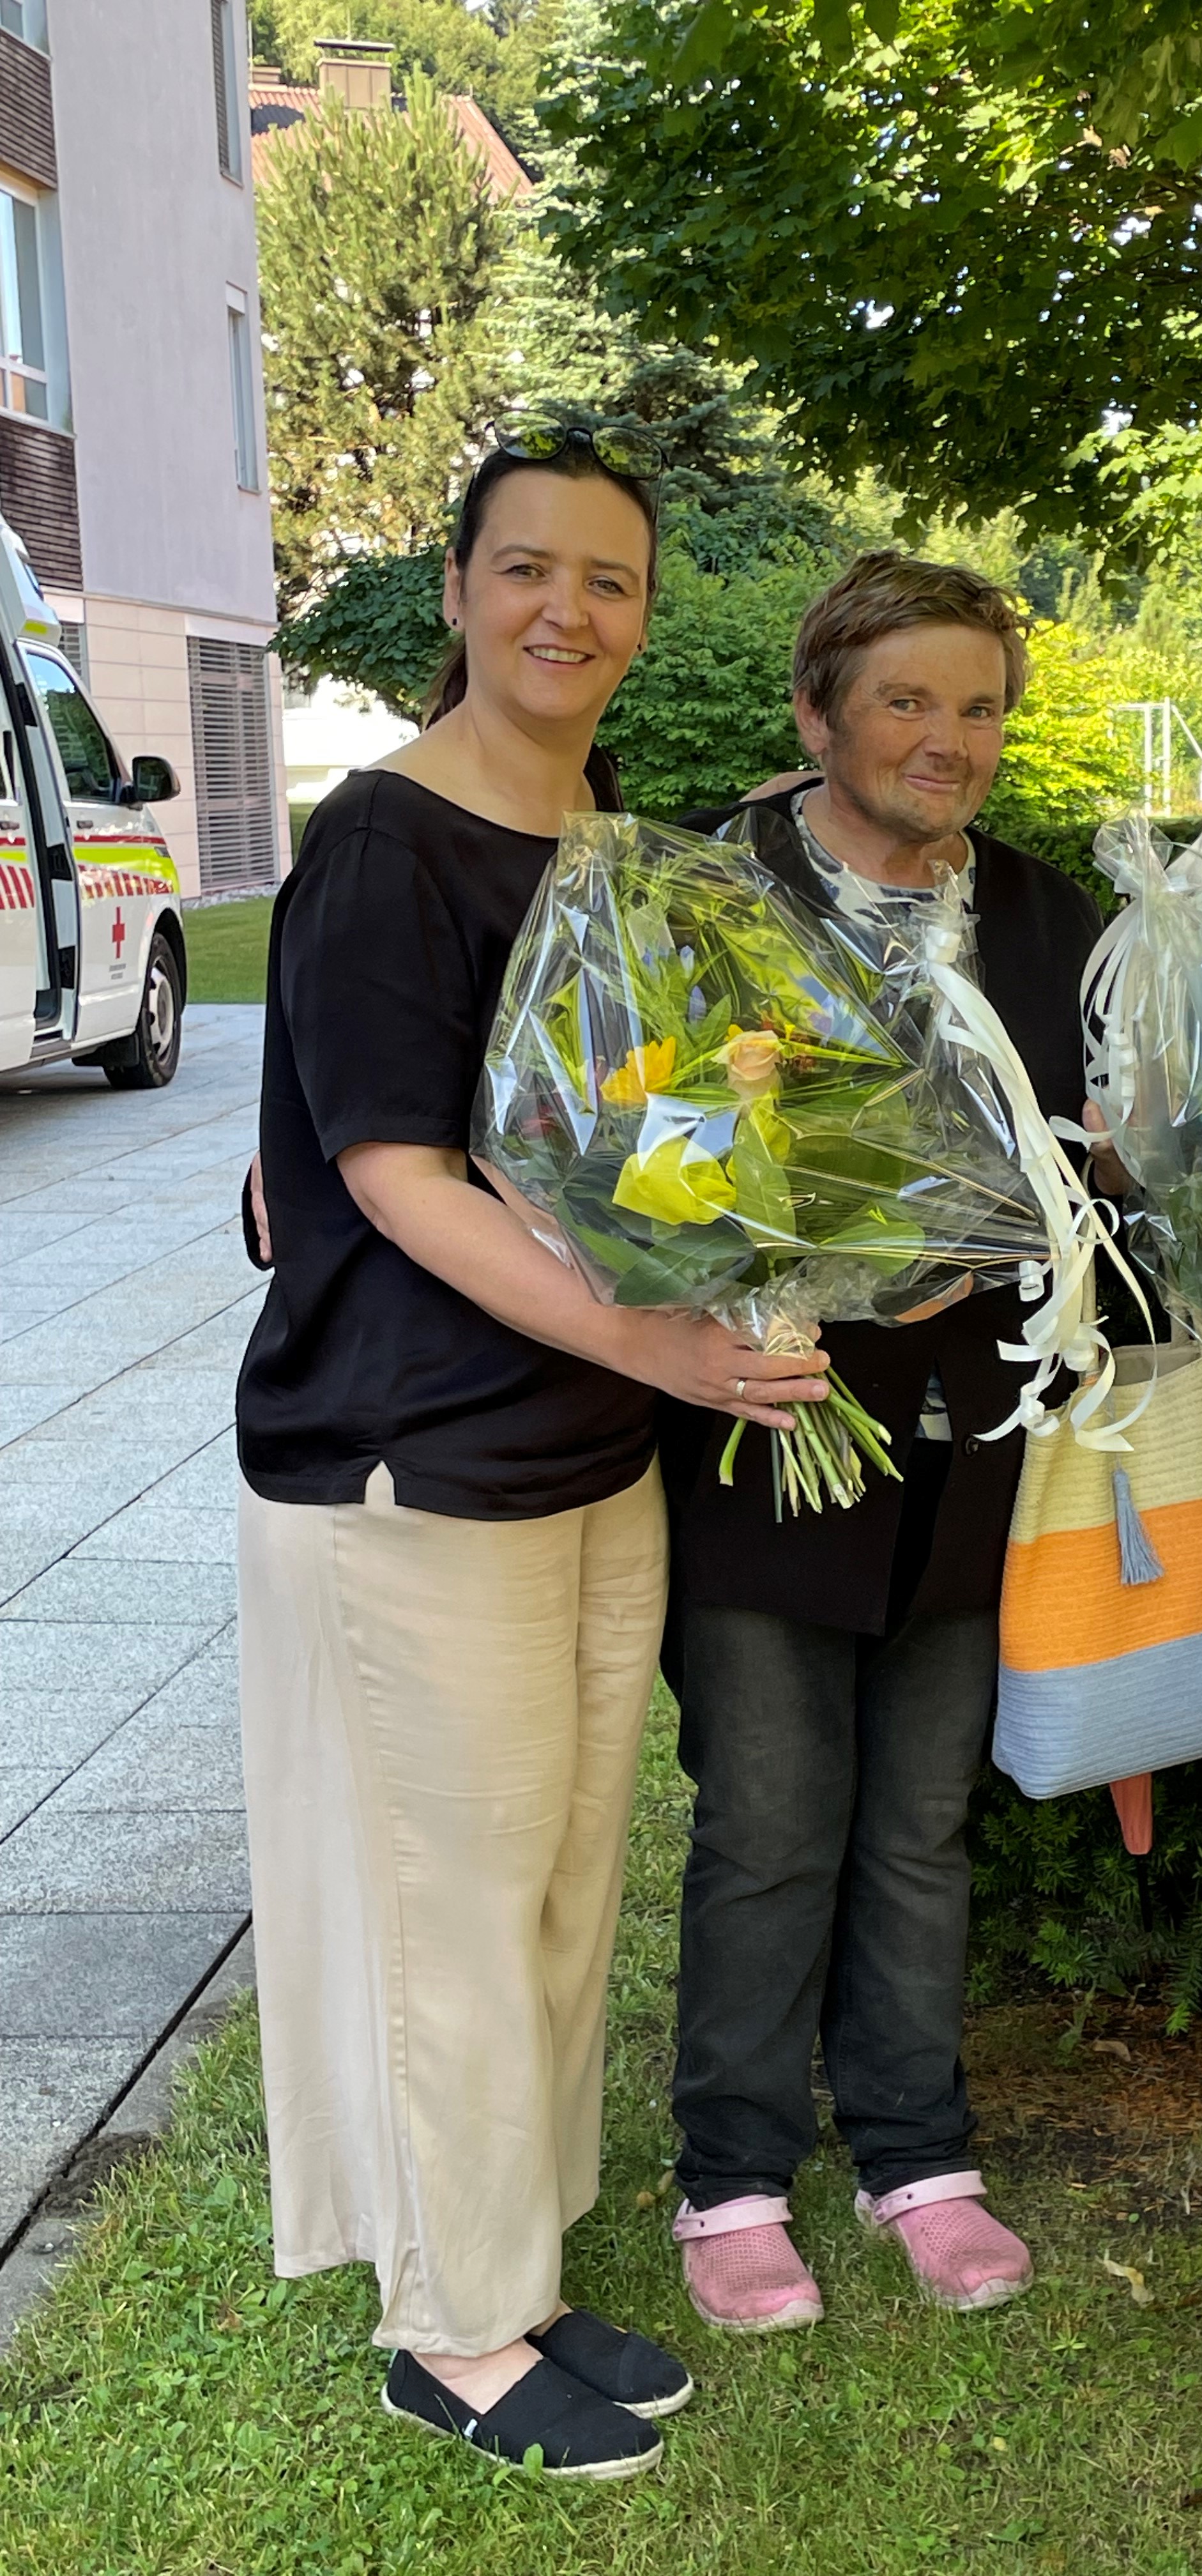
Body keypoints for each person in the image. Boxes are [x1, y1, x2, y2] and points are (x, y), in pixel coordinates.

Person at [234, 417, 830, 2478]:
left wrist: (758, 1217)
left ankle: (519, 2269)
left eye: (609, 580)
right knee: (453, 1904)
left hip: (586, 1454)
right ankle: (450, 2326)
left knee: (563, 1887)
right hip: (414, 1463)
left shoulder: (607, 845)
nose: (567, 609)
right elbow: (394, 1176)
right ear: (462, 590)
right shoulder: (385, 843)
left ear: (642, 617)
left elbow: (656, 1141)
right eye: (528, 568)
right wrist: (666, 1347)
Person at [657, 553, 1106, 2331]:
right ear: (817, 711)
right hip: (774, 1425)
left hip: (980, 1437)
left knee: (923, 1819)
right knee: (770, 1820)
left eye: (978, 707)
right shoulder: (706, 895)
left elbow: (1114, 1152)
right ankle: (733, 2179)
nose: (947, 738)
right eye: (906, 699)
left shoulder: (1053, 918)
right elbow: (634, 1145)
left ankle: (919, 2153)